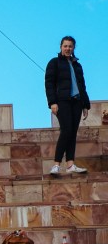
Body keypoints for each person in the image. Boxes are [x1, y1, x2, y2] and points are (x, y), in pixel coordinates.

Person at [45, 35, 90, 176]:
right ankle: (56, 164)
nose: (67, 48)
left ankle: (70, 164)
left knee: (72, 133)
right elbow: (49, 83)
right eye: (65, 46)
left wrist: (85, 105)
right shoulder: (54, 63)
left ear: (73, 48)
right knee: (66, 130)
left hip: (76, 102)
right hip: (62, 101)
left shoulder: (77, 65)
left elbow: (82, 86)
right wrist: (52, 102)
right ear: (60, 47)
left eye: (70, 46)